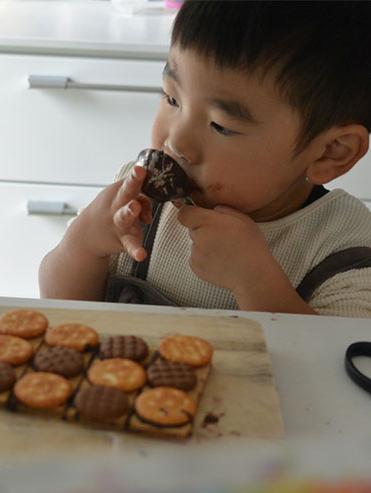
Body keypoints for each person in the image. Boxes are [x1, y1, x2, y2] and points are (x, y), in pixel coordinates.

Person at [39, 1, 371, 317]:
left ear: (331, 152)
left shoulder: (344, 246)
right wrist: (84, 241)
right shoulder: (137, 203)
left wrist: (256, 284)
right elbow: (57, 309)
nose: (176, 141)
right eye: (171, 97)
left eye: (221, 126)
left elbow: (333, 364)